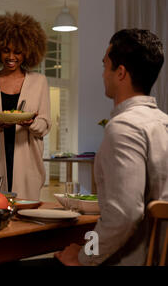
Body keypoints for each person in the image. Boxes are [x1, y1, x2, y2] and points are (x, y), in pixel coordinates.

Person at [55, 29, 168, 266]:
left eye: (105, 65)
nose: (103, 74)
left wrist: (84, 255)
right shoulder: (163, 122)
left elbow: (123, 215)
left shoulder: (124, 128)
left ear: (121, 72)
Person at [0, 12, 51, 200]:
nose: (11, 57)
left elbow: (45, 124)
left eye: (17, 52)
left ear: (28, 52)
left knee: (26, 213)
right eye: (6, 50)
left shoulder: (39, 82)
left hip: (28, 159)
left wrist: (31, 123)